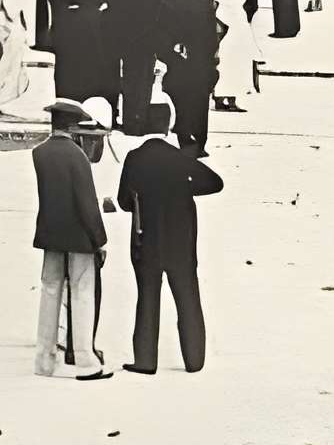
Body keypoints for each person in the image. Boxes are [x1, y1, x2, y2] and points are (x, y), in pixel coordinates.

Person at [112, 114, 219, 374]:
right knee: (188, 298)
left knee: (147, 299)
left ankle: (146, 360)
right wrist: (184, 189)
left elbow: (123, 201)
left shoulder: (135, 158)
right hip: (181, 242)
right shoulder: (180, 158)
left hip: (146, 240)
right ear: (167, 126)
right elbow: (215, 183)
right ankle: (194, 359)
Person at [31, 97, 111, 380]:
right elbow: (87, 204)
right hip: (77, 234)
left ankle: (44, 359)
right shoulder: (77, 157)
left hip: (50, 230)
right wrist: (99, 239)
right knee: (82, 294)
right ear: (74, 125)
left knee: (50, 291)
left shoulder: (39, 153)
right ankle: (85, 360)